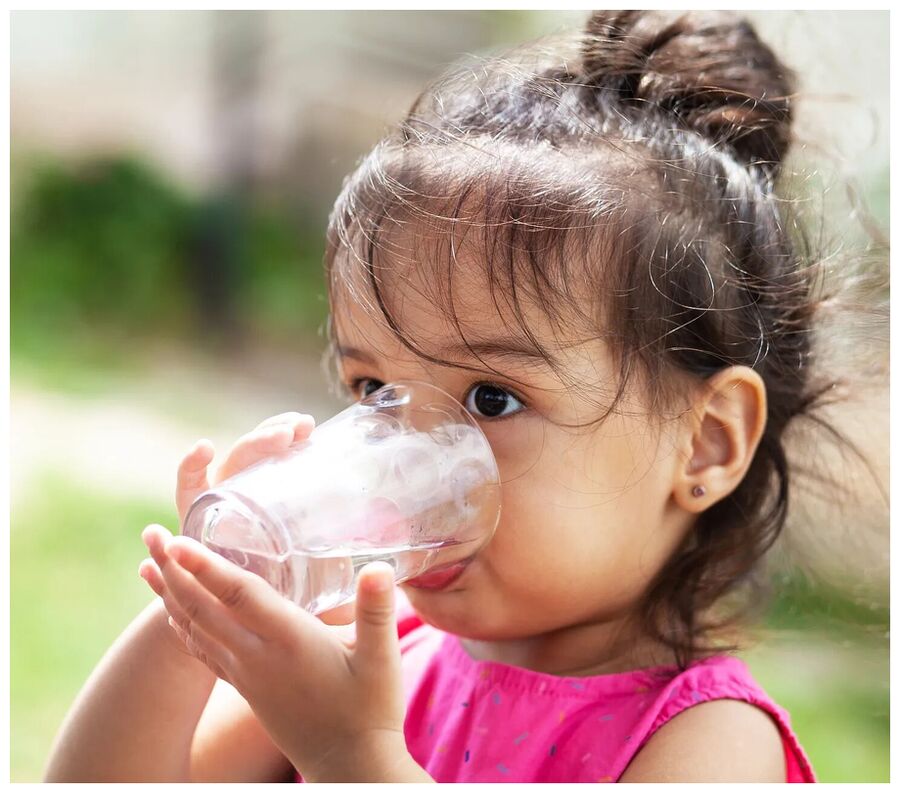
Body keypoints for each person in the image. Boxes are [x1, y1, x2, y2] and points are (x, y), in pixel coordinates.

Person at [45, 9, 882, 782]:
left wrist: (351, 754)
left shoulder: (706, 740)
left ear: (706, 443)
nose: (404, 460)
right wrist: (198, 619)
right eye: (374, 388)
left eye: (490, 398)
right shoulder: (384, 660)